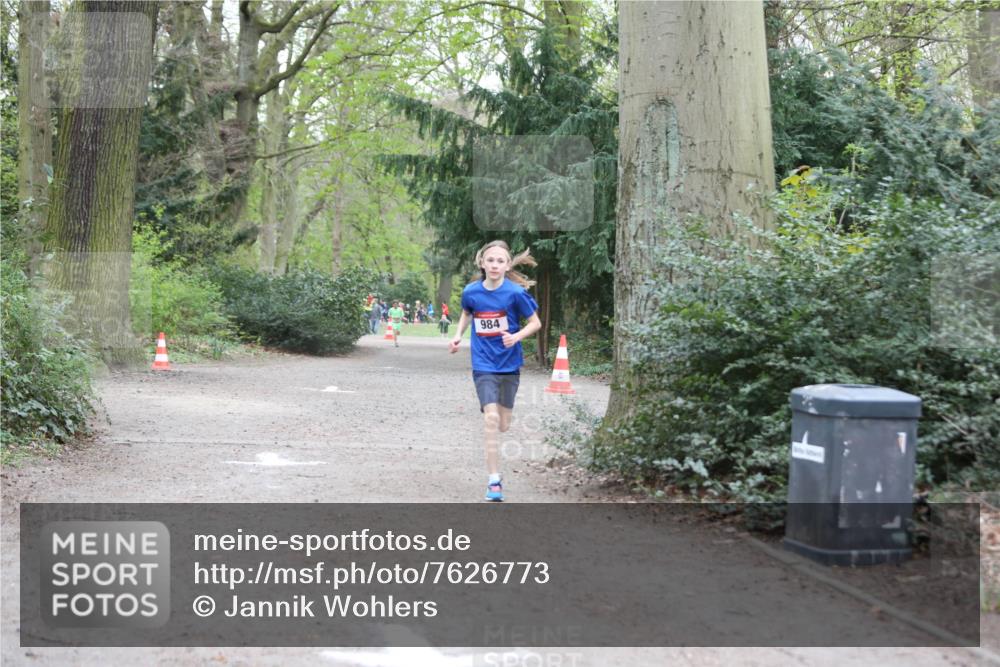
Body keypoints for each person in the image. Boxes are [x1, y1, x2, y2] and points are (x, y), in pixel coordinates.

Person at [449, 240, 541, 501]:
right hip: (483, 364)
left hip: (509, 365)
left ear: (507, 265)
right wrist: (457, 336)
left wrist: (516, 337)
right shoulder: (471, 292)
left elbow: (535, 323)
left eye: (500, 261)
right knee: (490, 418)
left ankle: (500, 419)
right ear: (482, 263)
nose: (495, 265)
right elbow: (467, 313)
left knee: (503, 424)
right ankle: (493, 480)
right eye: (490, 260)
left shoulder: (515, 293)